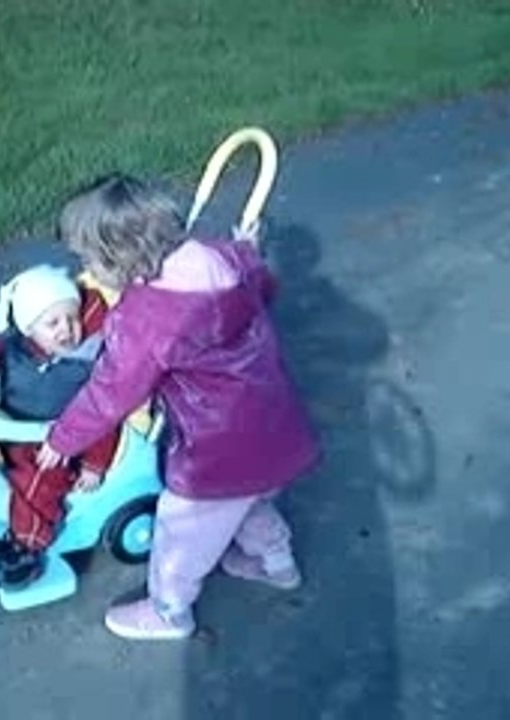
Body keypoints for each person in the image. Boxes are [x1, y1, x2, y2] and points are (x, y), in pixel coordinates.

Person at [36, 173, 321, 640]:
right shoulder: (223, 257)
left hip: (216, 449)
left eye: (87, 258)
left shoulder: (146, 317)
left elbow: (112, 390)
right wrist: (248, 249)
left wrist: (63, 438)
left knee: (181, 529)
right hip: (272, 422)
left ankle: (169, 612)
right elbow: (262, 287)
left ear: (117, 258)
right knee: (247, 498)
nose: (84, 269)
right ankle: (276, 563)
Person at [0, 264, 120, 589]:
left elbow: (102, 415)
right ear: (30, 329)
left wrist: (95, 465)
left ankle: (28, 545)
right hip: (12, 424)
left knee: (36, 481)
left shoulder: (87, 363)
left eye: (71, 318)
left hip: (57, 441)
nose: (66, 329)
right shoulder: (18, 346)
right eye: (52, 323)